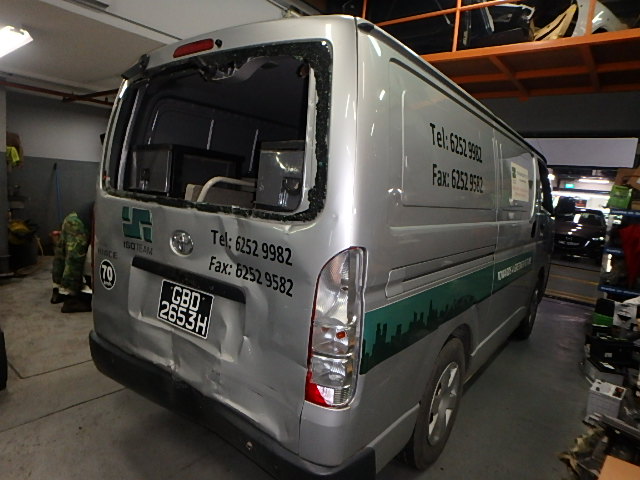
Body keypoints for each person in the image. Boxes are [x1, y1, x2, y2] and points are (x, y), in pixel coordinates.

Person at [51, 206, 92, 313]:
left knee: (61, 255)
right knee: (74, 260)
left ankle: (57, 292)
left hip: (71, 218)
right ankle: (71, 300)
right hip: (78, 224)